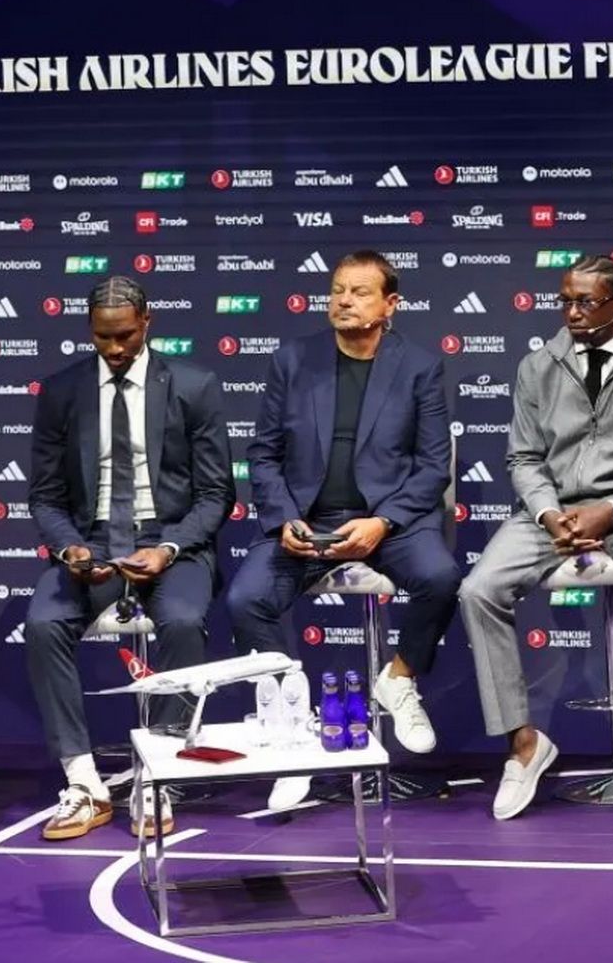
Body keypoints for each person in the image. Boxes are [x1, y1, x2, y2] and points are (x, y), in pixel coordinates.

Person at [461, 255, 613, 820]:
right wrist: (549, 514)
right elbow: (523, 458)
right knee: (478, 590)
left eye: (585, 302)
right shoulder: (537, 365)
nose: (571, 313)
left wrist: (612, 510)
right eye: (565, 301)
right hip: (551, 512)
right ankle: (524, 745)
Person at [226, 250, 462, 808]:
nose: (343, 301)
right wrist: (286, 519)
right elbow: (263, 455)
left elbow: (433, 466)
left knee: (440, 577)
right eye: (337, 290)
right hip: (308, 522)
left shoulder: (419, 366)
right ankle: (294, 728)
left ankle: (399, 678)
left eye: (359, 292)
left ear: (389, 305)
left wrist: (383, 522)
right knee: (245, 599)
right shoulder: (292, 360)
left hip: (390, 521)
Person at [24, 276, 233, 839]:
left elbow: (216, 494)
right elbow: (45, 497)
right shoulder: (62, 391)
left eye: (124, 336)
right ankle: (83, 783)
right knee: (42, 624)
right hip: (93, 542)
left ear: (147, 322)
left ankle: (156, 774)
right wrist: (69, 548)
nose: (114, 348)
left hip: (171, 540)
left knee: (184, 622)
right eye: (102, 337)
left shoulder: (193, 386)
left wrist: (167, 547)